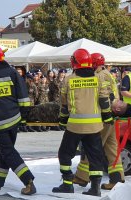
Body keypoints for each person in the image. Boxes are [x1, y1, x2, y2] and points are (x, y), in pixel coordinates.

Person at [0, 44, 36, 195]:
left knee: (8, 152)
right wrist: (24, 118)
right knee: (5, 151)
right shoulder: (12, 72)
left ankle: (28, 181)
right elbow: (24, 98)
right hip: (14, 119)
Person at [52, 49, 104, 197]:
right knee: (95, 156)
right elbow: (104, 99)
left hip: (75, 125)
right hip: (94, 126)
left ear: (75, 62)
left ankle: (67, 184)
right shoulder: (98, 78)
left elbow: (64, 104)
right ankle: (95, 188)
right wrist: (106, 116)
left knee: (65, 154)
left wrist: (62, 119)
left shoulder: (69, 79)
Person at [73, 52, 124, 190]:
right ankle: (117, 178)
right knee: (112, 149)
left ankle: (82, 177)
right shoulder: (109, 75)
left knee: (92, 147)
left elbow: (100, 97)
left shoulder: (98, 76)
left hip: (102, 117)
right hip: (112, 117)